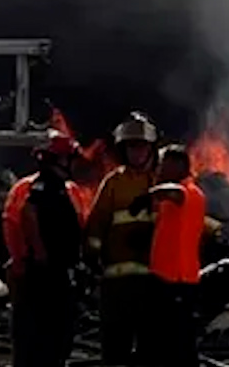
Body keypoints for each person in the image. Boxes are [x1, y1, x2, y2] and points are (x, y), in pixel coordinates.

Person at [84, 112, 160, 366]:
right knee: (116, 348)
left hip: (154, 282)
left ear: (151, 149)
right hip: (117, 283)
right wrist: (92, 256)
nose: (136, 153)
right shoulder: (114, 183)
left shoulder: (162, 182)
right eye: (130, 147)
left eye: (140, 147)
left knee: (151, 348)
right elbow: (97, 222)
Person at [8, 132, 83, 367]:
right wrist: (40, 252)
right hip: (45, 276)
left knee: (55, 338)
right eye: (69, 157)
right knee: (42, 340)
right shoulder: (45, 186)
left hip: (55, 272)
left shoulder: (60, 188)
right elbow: (27, 214)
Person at [133, 144, 205, 367]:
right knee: (153, 344)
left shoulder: (190, 192)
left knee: (178, 347)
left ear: (176, 166)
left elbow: (174, 193)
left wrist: (148, 196)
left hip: (177, 283)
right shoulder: (172, 200)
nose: (158, 169)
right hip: (161, 279)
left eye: (162, 164)